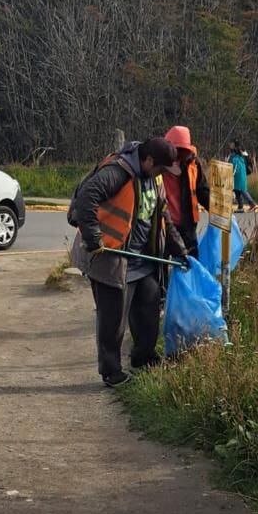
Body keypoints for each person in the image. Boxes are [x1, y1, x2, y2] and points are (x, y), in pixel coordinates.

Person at [69, 137, 188, 388]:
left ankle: (143, 357)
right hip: (111, 258)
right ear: (148, 161)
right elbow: (86, 198)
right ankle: (111, 372)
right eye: (161, 169)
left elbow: (163, 214)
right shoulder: (117, 173)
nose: (164, 175)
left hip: (142, 260)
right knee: (113, 319)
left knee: (149, 307)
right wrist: (94, 237)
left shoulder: (154, 178)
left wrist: (179, 249)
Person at [161, 125, 210, 257]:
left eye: (180, 152)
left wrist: (219, 211)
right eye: (174, 151)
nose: (176, 156)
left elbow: (202, 192)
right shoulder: (157, 164)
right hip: (162, 226)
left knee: (190, 265)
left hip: (187, 226)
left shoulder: (193, 165)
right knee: (160, 267)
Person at [228, 139, 258, 212]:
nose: (230, 145)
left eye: (231, 144)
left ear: (235, 144)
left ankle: (253, 204)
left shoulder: (239, 152)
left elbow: (242, 160)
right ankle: (240, 207)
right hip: (239, 172)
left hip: (239, 172)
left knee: (242, 189)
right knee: (236, 189)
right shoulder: (239, 152)